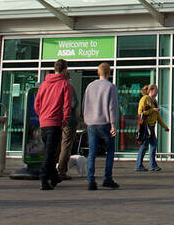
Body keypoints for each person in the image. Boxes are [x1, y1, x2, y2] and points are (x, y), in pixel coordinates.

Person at [34, 59, 74, 190]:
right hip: (55, 122)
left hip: (44, 123)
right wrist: (64, 120)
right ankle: (44, 178)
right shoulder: (65, 85)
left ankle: (54, 176)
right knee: (50, 153)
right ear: (65, 69)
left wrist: (42, 115)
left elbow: (37, 104)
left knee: (50, 150)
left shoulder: (43, 84)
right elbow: (67, 105)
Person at [82, 62, 119, 190]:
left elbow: (84, 104)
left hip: (91, 123)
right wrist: (113, 124)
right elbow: (112, 107)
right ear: (109, 73)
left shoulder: (90, 86)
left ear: (98, 72)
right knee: (110, 151)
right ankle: (107, 178)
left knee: (92, 152)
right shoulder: (110, 87)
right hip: (105, 123)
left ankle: (90, 180)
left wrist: (86, 119)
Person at [136, 83, 167, 171]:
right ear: (151, 90)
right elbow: (140, 113)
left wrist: (165, 126)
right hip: (146, 126)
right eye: (156, 90)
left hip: (152, 127)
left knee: (151, 145)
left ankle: (148, 165)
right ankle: (142, 165)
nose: (157, 92)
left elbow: (158, 117)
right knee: (145, 145)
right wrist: (152, 110)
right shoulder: (144, 99)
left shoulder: (154, 101)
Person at [56, 71, 80, 180]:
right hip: (69, 121)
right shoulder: (69, 87)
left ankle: (55, 168)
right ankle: (61, 170)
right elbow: (74, 103)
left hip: (55, 120)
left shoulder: (54, 87)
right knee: (66, 146)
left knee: (57, 146)